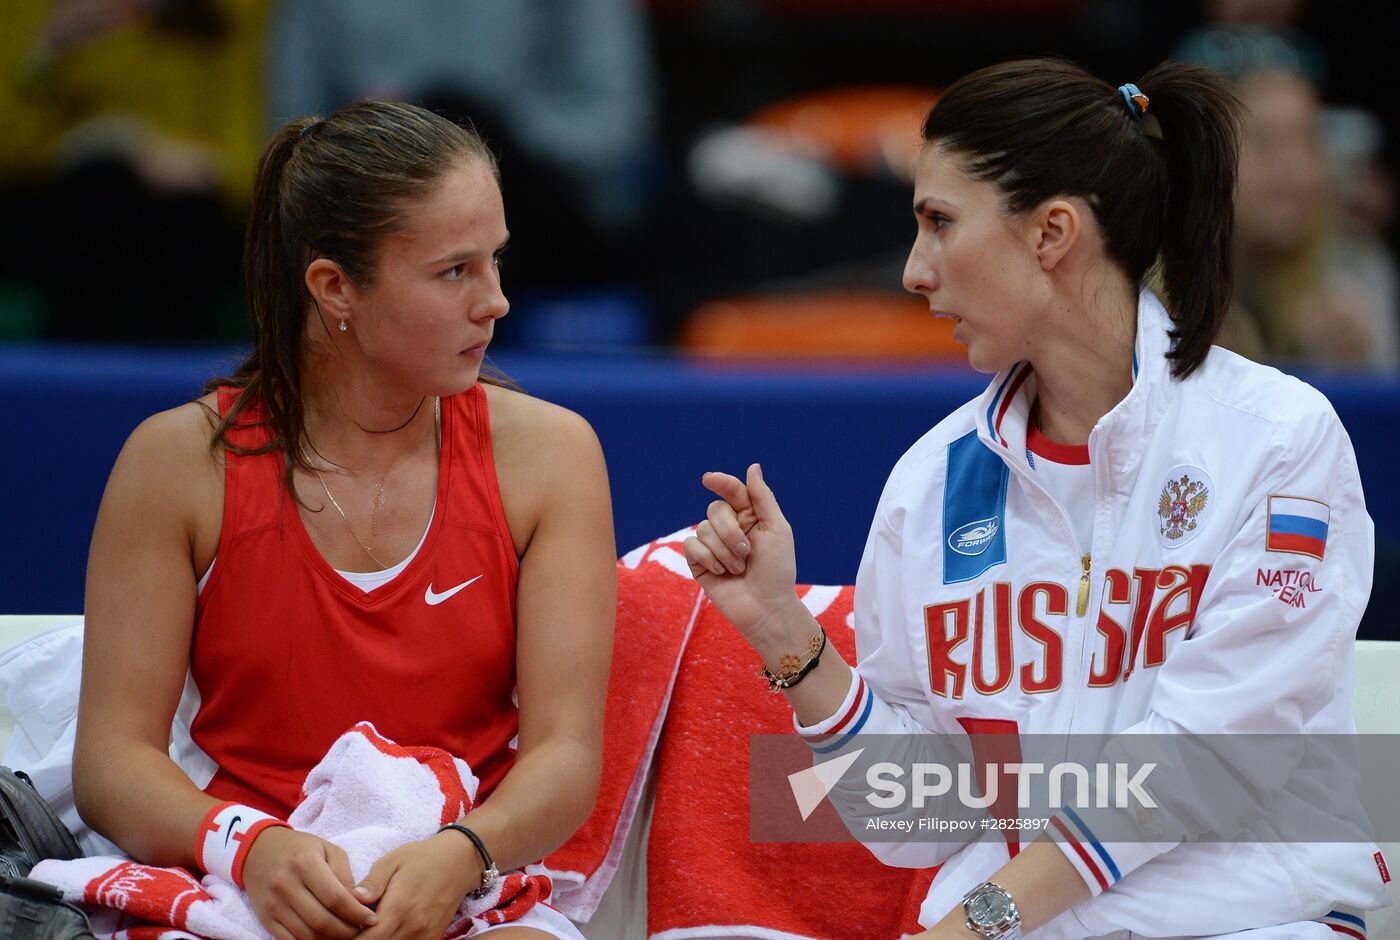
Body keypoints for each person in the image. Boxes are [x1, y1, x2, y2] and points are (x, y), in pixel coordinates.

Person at [685, 59, 1389, 938]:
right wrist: (786, 636)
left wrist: (983, 920)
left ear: (1053, 231)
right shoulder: (930, 479)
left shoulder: (1279, 438)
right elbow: (921, 823)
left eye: (940, 222)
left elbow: (1206, 760)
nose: (913, 271)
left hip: (1254, 921)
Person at [73, 101, 615, 940]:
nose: (498, 302)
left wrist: (463, 851)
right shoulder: (175, 462)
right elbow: (111, 761)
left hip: (470, 887)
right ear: (334, 289)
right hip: (238, 882)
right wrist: (248, 846)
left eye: (495, 263)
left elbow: (567, 756)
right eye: (455, 272)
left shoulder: (552, 455)